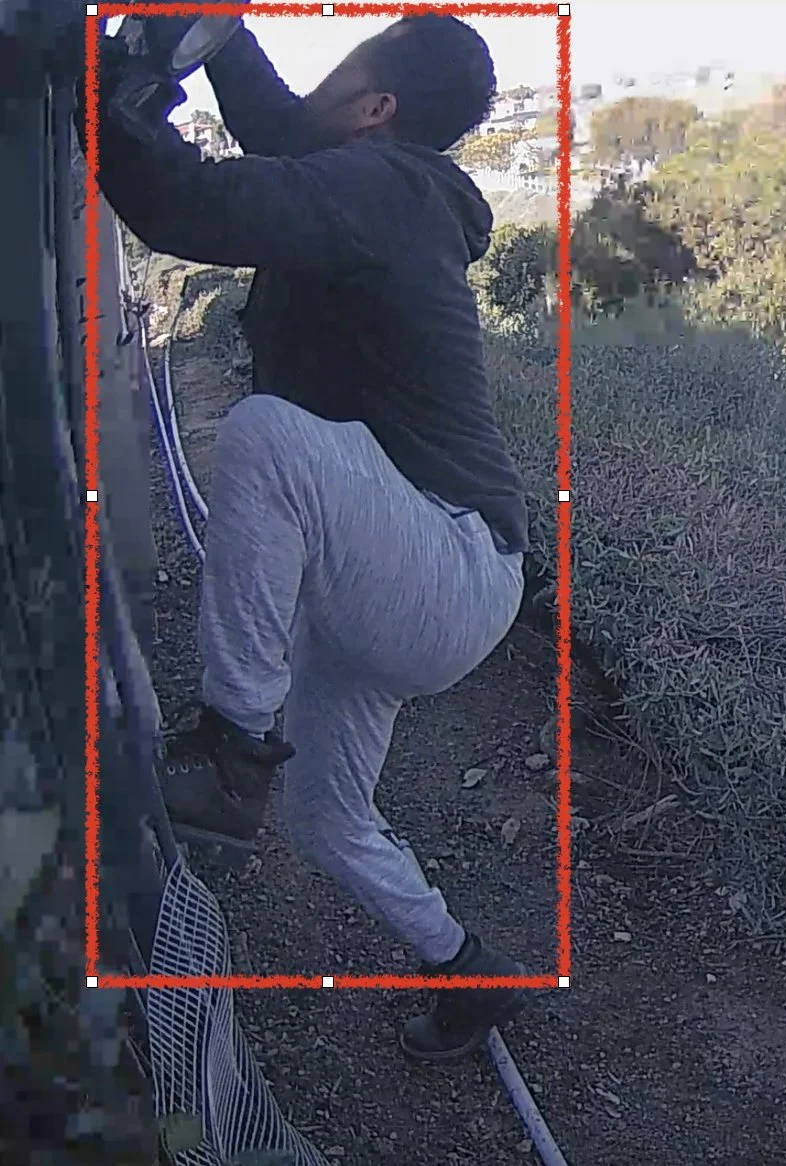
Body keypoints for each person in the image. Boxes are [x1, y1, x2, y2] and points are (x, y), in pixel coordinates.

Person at [91, 15, 532, 1063]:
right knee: (331, 819)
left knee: (265, 437)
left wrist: (99, 84)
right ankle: (465, 969)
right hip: (401, 567)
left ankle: (232, 750)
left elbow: (184, 203)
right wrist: (223, 34)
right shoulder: (373, 187)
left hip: (449, 561)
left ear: (376, 109)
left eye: (340, 72)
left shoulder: (383, 190)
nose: (315, 93)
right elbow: (281, 128)